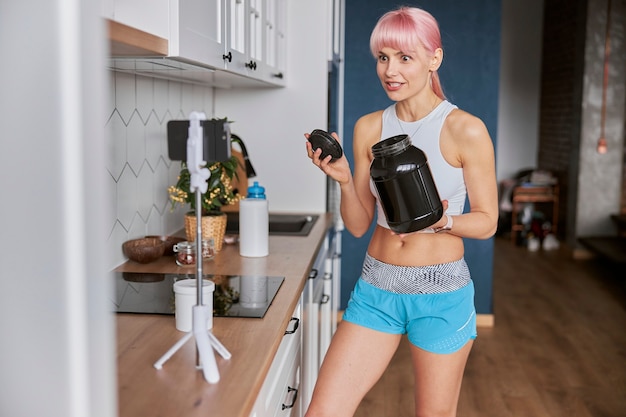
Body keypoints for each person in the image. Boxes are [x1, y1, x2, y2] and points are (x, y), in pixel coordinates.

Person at [303, 6, 498, 417]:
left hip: (441, 294)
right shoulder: (369, 127)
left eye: (405, 58)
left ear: (434, 59)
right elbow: (358, 225)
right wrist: (341, 177)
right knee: (323, 411)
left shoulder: (466, 129)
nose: (390, 70)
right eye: (383, 57)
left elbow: (487, 221)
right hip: (377, 288)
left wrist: (442, 221)